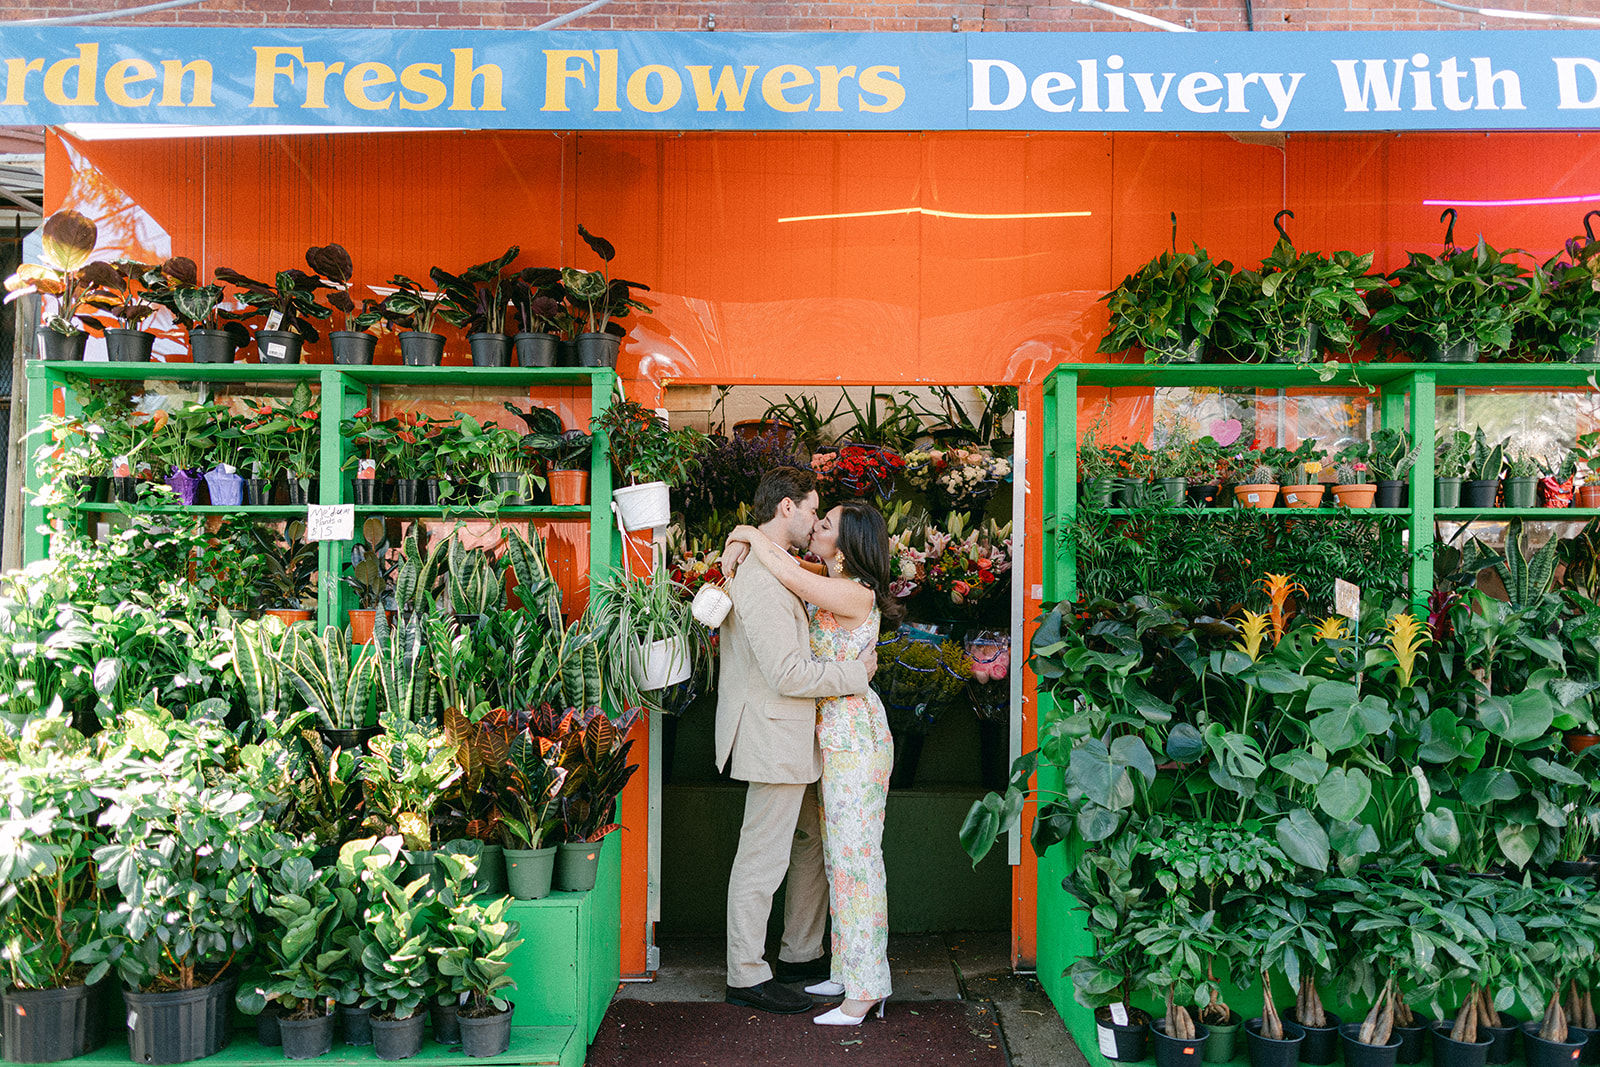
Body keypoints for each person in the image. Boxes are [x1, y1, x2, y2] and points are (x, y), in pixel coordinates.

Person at [722, 498, 901, 1026]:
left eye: (826, 526)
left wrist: (749, 536)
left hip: (854, 739)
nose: (816, 528)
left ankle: (867, 988)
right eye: (818, 519)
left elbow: (781, 566)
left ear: (845, 550)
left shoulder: (847, 590)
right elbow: (785, 563)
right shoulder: (827, 576)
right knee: (836, 860)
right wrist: (744, 534)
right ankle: (848, 969)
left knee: (856, 863)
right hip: (832, 738)